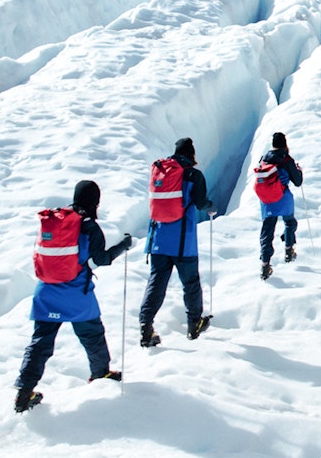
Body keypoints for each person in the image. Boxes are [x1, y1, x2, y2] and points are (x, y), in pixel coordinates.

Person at [14, 180, 133, 413]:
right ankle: (101, 373)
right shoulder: (89, 227)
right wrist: (124, 245)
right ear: (95, 201)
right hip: (75, 293)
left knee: (40, 342)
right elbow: (102, 260)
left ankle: (24, 391)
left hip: (46, 291)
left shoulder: (57, 220)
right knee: (93, 334)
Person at [139, 137, 216, 347]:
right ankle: (194, 325)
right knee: (190, 283)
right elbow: (200, 202)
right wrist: (211, 206)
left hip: (158, 239)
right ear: (192, 154)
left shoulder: (161, 171)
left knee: (156, 283)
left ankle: (145, 325)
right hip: (183, 242)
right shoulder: (192, 175)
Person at [257, 131, 303, 280]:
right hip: (283, 197)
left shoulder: (264, 159)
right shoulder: (286, 159)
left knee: (267, 231)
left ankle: (265, 264)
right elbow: (298, 182)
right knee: (290, 222)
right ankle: (289, 251)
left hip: (267, 201)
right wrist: (299, 171)